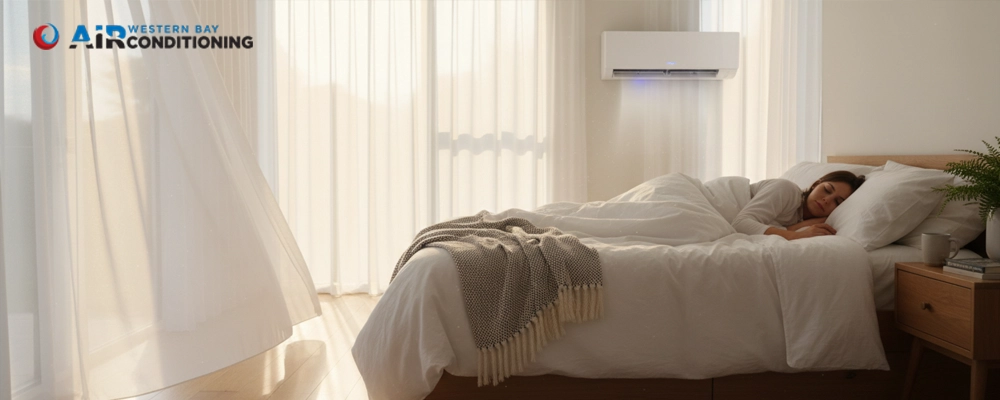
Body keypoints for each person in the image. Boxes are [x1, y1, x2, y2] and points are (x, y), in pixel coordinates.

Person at [731, 171, 866, 240]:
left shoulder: (800, 218)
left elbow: (769, 229)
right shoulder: (786, 189)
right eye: (827, 190)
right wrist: (798, 235)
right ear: (815, 184)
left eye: (838, 202)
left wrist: (798, 228)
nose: (827, 200)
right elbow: (740, 224)